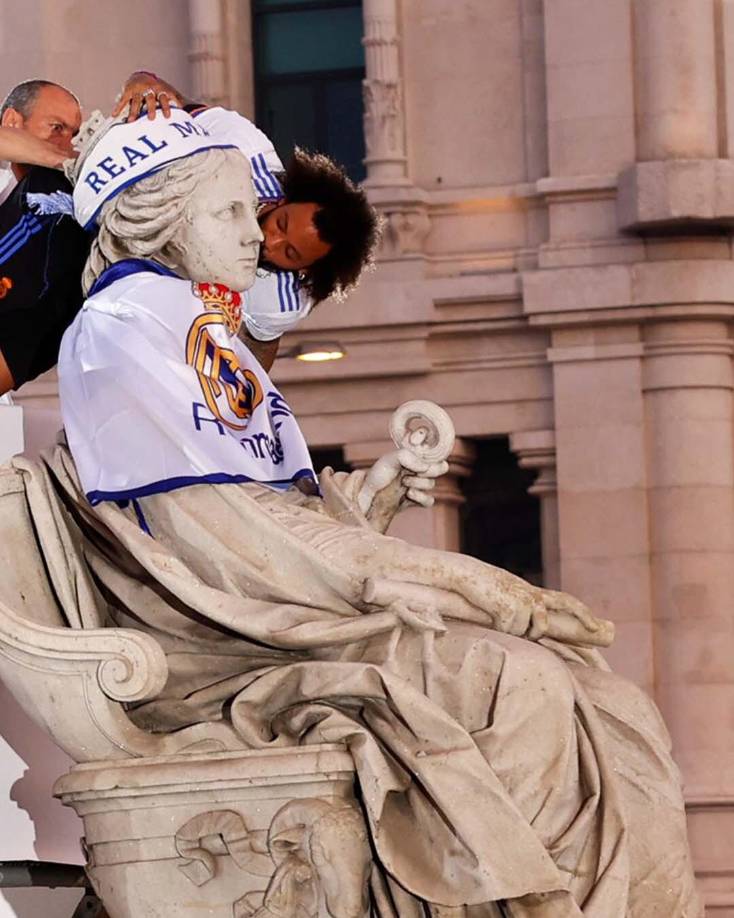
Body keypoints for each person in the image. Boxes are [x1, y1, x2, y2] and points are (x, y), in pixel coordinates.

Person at [42, 109, 701, 917]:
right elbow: (215, 534)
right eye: (234, 214)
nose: (255, 235)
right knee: (521, 684)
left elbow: (268, 509)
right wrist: (434, 575)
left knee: (611, 702)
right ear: (164, 217)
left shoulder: (192, 321)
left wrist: (374, 496)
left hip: (288, 601)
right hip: (229, 641)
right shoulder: (124, 326)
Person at [115, 72, 380, 371]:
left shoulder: (281, 302)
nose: (270, 241)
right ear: (285, 199)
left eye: (290, 253)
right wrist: (142, 84)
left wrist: (243, 405)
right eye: (281, 223)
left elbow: (260, 351)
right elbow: (174, 101)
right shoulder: (242, 147)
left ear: (304, 270)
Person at [0, 79, 88, 395]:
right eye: (56, 128)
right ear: (12, 122)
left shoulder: (67, 204)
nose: (68, 144)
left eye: (73, 135)